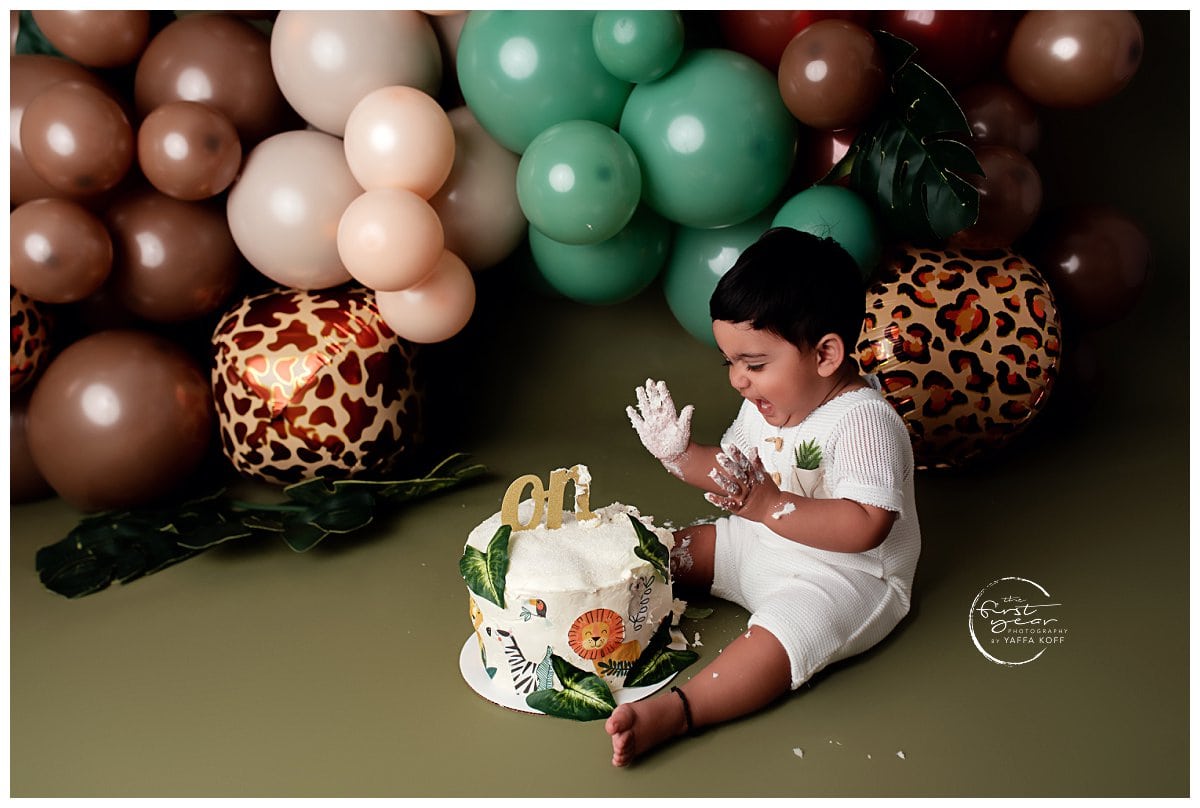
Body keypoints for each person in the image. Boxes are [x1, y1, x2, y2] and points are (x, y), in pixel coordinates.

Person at [607, 227, 920, 767]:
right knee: (670, 551)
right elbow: (733, 477)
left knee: (780, 638)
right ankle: (599, 596)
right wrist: (681, 455)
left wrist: (768, 507)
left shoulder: (864, 422)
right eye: (728, 363)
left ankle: (679, 709)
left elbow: (868, 523)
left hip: (848, 576)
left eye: (753, 365)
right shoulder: (763, 406)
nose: (738, 382)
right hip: (761, 539)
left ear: (825, 354)